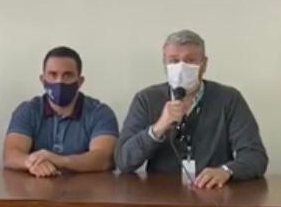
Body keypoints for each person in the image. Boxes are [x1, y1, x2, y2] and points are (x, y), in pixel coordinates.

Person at [115, 29, 268, 188]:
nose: (181, 67)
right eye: (174, 61)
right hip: (160, 194)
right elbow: (124, 161)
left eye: (190, 61)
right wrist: (158, 128)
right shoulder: (146, 99)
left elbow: (255, 157)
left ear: (204, 64)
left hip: (212, 192)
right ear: (165, 64)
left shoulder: (229, 99)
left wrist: (226, 171)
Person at [3, 46, 118, 207]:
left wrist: (60, 160)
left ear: (80, 81)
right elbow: (11, 154)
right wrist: (31, 162)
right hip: (34, 203)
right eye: (53, 75)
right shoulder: (28, 110)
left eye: (67, 75)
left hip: (87, 205)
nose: (59, 82)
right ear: (42, 80)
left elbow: (103, 158)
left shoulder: (100, 113)